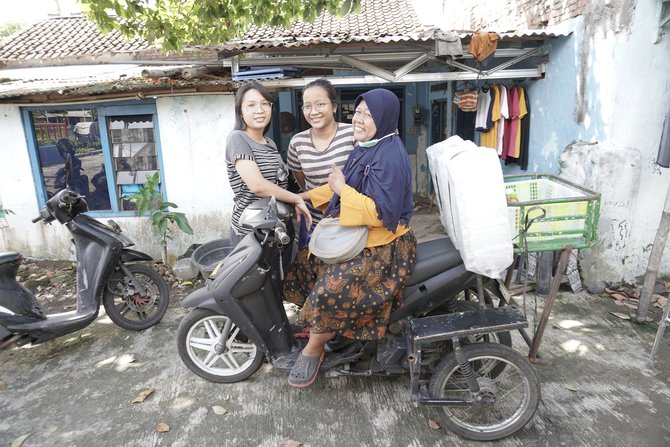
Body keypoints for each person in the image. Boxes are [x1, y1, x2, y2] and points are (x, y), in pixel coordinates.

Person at [282, 88, 417, 388]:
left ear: (384, 118)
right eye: (357, 112)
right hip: (362, 235)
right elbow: (338, 183)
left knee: (332, 287)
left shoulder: (390, 156)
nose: (359, 118)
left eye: (368, 115)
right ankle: (330, 331)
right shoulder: (366, 146)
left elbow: (382, 213)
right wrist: (299, 197)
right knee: (306, 262)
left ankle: (315, 348)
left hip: (386, 245)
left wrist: (343, 191)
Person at [226, 81, 311, 246]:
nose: (259, 110)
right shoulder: (237, 138)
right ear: (241, 112)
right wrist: (296, 199)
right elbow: (258, 185)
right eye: (251, 105)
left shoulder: (269, 143)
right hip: (251, 233)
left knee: (281, 271)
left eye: (265, 104)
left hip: (276, 228)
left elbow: (278, 183)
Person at [287, 79, 356, 227]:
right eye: (307, 106)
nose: (313, 112)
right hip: (316, 223)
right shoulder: (297, 143)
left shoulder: (353, 134)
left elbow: (359, 182)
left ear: (334, 107)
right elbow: (303, 182)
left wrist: (302, 197)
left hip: (352, 222)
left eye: (320, 104)